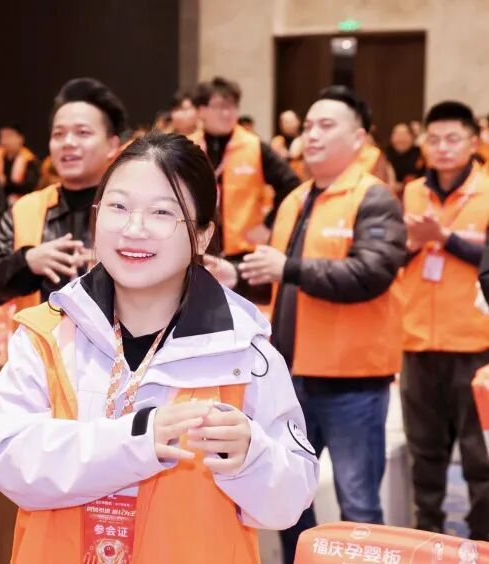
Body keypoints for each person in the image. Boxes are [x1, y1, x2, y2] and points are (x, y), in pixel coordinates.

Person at [0, 132, 318, 563]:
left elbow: (290, 503)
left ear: (202, 236)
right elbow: (9, 461)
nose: (134, 229)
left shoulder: (243, 353)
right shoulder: (47, 333)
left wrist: (252, 456)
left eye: (162, 212)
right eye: (118, 207)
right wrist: (140, 439)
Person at [239, 86, 407, 563]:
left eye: (325, 126)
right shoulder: (295, 198)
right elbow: (280, 275)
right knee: (288, 499)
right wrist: (235, 275)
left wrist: (287, 268)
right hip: (292, 379)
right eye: (308, 125)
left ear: (359, 138)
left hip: (353, 382)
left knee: (358, 506)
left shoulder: (374, 198)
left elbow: (372, 273)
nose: (311, 135)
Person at [399, 101, 489, 541]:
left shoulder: (487, 190)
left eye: (453, 138)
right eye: (433, 139)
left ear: (474, 142)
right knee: (425, 452)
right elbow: (396, 254)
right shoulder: (413, 191)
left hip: (475, 343)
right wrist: (414, 244)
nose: (443, 148)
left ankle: (482, 538)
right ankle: (429, 535)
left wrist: (444, 238)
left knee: (480, 456)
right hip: (417, 341)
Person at [0, 78, 126, 311]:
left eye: (82, 132)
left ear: (113, 145)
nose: (68, 142)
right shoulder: (26, 209)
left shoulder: (132, 210)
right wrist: (27, 262)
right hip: (39, 335)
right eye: (59, 134)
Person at [189, 77, 300, 302]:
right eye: (220, 106)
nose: (227, 113)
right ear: (201, 110)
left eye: (232, 107)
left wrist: (268, 225)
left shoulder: (253, 145)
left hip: (243, 255)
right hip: (196, 251)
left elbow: (291, 185)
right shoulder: (189, 147)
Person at [0, 124, 39, 206]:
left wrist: (6, 184)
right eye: (2, 137)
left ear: (21, 138)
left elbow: (29, 187)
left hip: (24, 204)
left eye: (9, 136)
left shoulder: (30, 160)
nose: (4, 141)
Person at [386, 122, 425, 194]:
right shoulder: (383, 155)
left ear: (412, 137)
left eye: (404, 134)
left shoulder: (422, 154)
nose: (401, 138)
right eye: (397, 134)